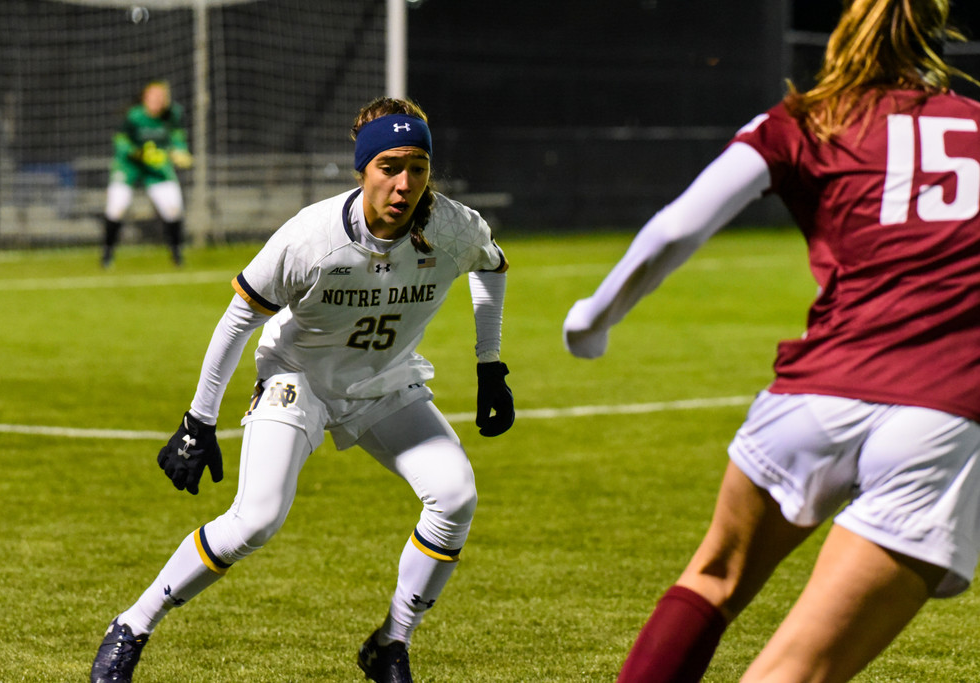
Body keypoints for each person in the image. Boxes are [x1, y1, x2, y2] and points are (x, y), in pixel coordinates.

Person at [563, 1, 980, 681]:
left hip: (811, 398)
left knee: (712, 576)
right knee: (793, 671)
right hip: (937, 415)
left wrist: (593, 318)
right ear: (935, 36)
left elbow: (677, 227)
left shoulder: (808, 118)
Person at [90, 96, 514, 683]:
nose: (404, 184)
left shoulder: (452, 227)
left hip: (385, 381)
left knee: (455, 495)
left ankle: (391, 643)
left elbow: (491, 267)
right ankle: (133, 624)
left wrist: (490, 366)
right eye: (389, 167)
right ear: (363, 169)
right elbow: (238, 319)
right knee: (256, 520)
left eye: (417, 167)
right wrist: (198, 420)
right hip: (299, 380)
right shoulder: (312, 237)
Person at [102, 79, 193, 268]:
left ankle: (177, 256)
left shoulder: (172, 115)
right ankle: (107, 255)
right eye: (152, 97)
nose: (156, 101)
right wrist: (137, 153)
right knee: (116, 207)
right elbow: (120, 141)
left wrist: (180, 152)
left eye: (160, 97)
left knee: (173, 209)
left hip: (157, 167)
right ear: (144, 98)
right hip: (129, 165)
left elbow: (177, 139)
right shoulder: (134, 116)